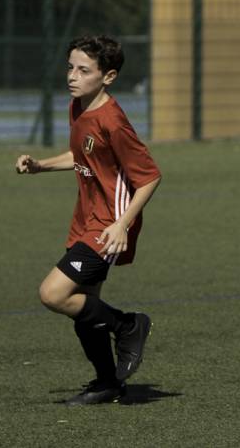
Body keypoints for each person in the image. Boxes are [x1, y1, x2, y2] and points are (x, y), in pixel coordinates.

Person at [15, 35, 162, 405]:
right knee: (84, 305)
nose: (72, 76)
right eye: (70, 67)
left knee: (53, 293)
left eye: (84, 70)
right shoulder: (78, 106)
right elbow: (82, 153)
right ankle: (107, 383)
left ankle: (129, 324)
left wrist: (121, 224)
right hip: (85, 218)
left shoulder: (113, 120)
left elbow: (149, 177)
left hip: (108, 223)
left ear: (108, 76)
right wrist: (41, 165)